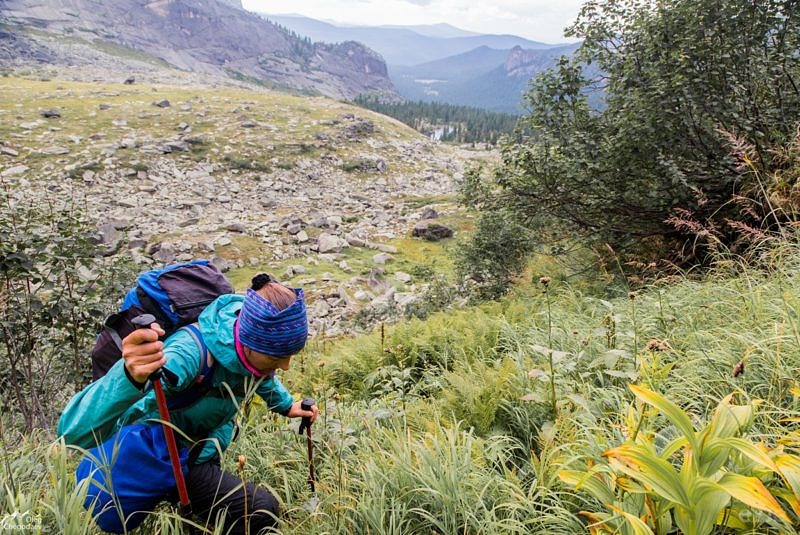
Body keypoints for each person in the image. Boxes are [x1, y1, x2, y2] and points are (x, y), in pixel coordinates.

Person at [58, 273, 319, 534]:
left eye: (290, 355)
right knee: (262, 511)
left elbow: (260, 373)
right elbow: (71, 434)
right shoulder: (187, 355)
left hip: (198, 452)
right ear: (248, 341)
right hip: (159, 455)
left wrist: (287, 406)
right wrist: (130, 375)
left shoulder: (246, 345)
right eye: (278, 356)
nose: (285, 365)